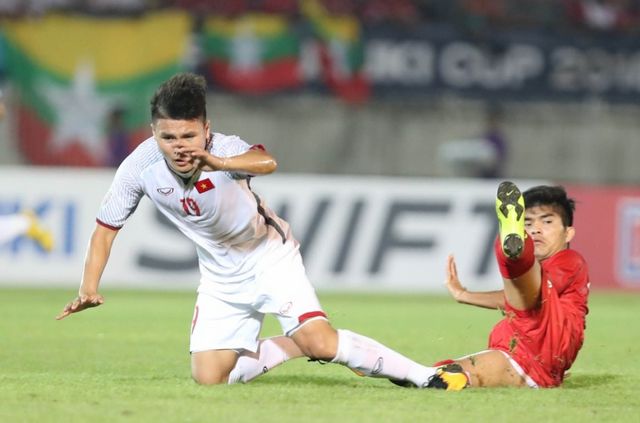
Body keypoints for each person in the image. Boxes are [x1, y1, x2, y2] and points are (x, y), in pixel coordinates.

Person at [56, 72, 467, 390]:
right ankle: (289, 345)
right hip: (220, 275)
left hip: (269, 256)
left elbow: (267, 162)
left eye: (188, 135)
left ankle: (423, 375)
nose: (180, 146)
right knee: (209, 379)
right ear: (153, 133)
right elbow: (105, 229)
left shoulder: (226, 148)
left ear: (206, 129)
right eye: (168, 137)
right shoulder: (138, 168)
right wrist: (88, 287)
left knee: (322, 343)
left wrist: (217, 163)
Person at [440, 181, 590, 388]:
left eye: (547, 222)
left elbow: (531, 294)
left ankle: (513, 250)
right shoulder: (545, 270)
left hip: (544, 341)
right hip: (521, 353)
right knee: (442, 376)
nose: (536, 229)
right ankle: (381, 362)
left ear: (568, 233)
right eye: (527, 223)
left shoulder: (570, 260)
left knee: (524, 275)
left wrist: (465, 295)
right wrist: (463, 294)